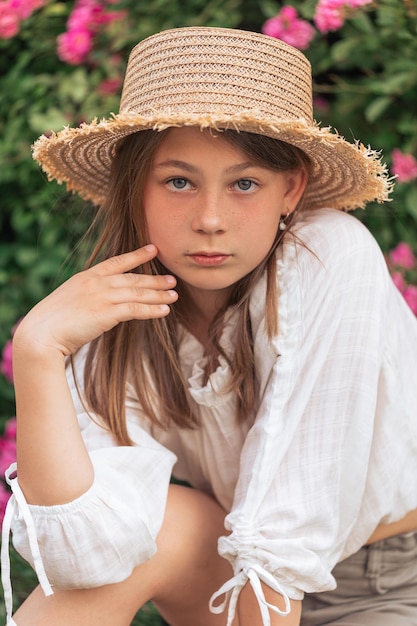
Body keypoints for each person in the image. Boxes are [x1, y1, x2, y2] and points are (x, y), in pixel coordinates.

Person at [1, 25, 417, 626]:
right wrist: (37, 350)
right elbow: (80, 563)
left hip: (387, 579)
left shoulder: (328, 256)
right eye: (178, 181)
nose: (211, 220)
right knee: (162, 523)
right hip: (229, 571)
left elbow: (284, 533)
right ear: (135, 187)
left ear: (290, 189)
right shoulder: (119, 313)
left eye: (245, 183)